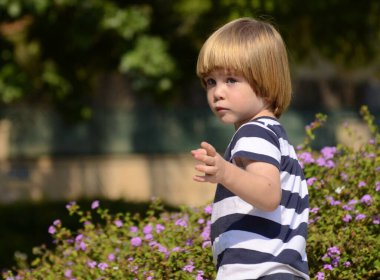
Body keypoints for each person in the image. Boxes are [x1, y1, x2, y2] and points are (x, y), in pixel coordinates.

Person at [191, 18, 309, 280]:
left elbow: (268, 195)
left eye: (231, 80)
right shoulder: (270, 132)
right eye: (211, 81)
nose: (217, 92)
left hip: (260, 273)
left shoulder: (253, 131)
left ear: (266, 85)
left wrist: (225, 173)